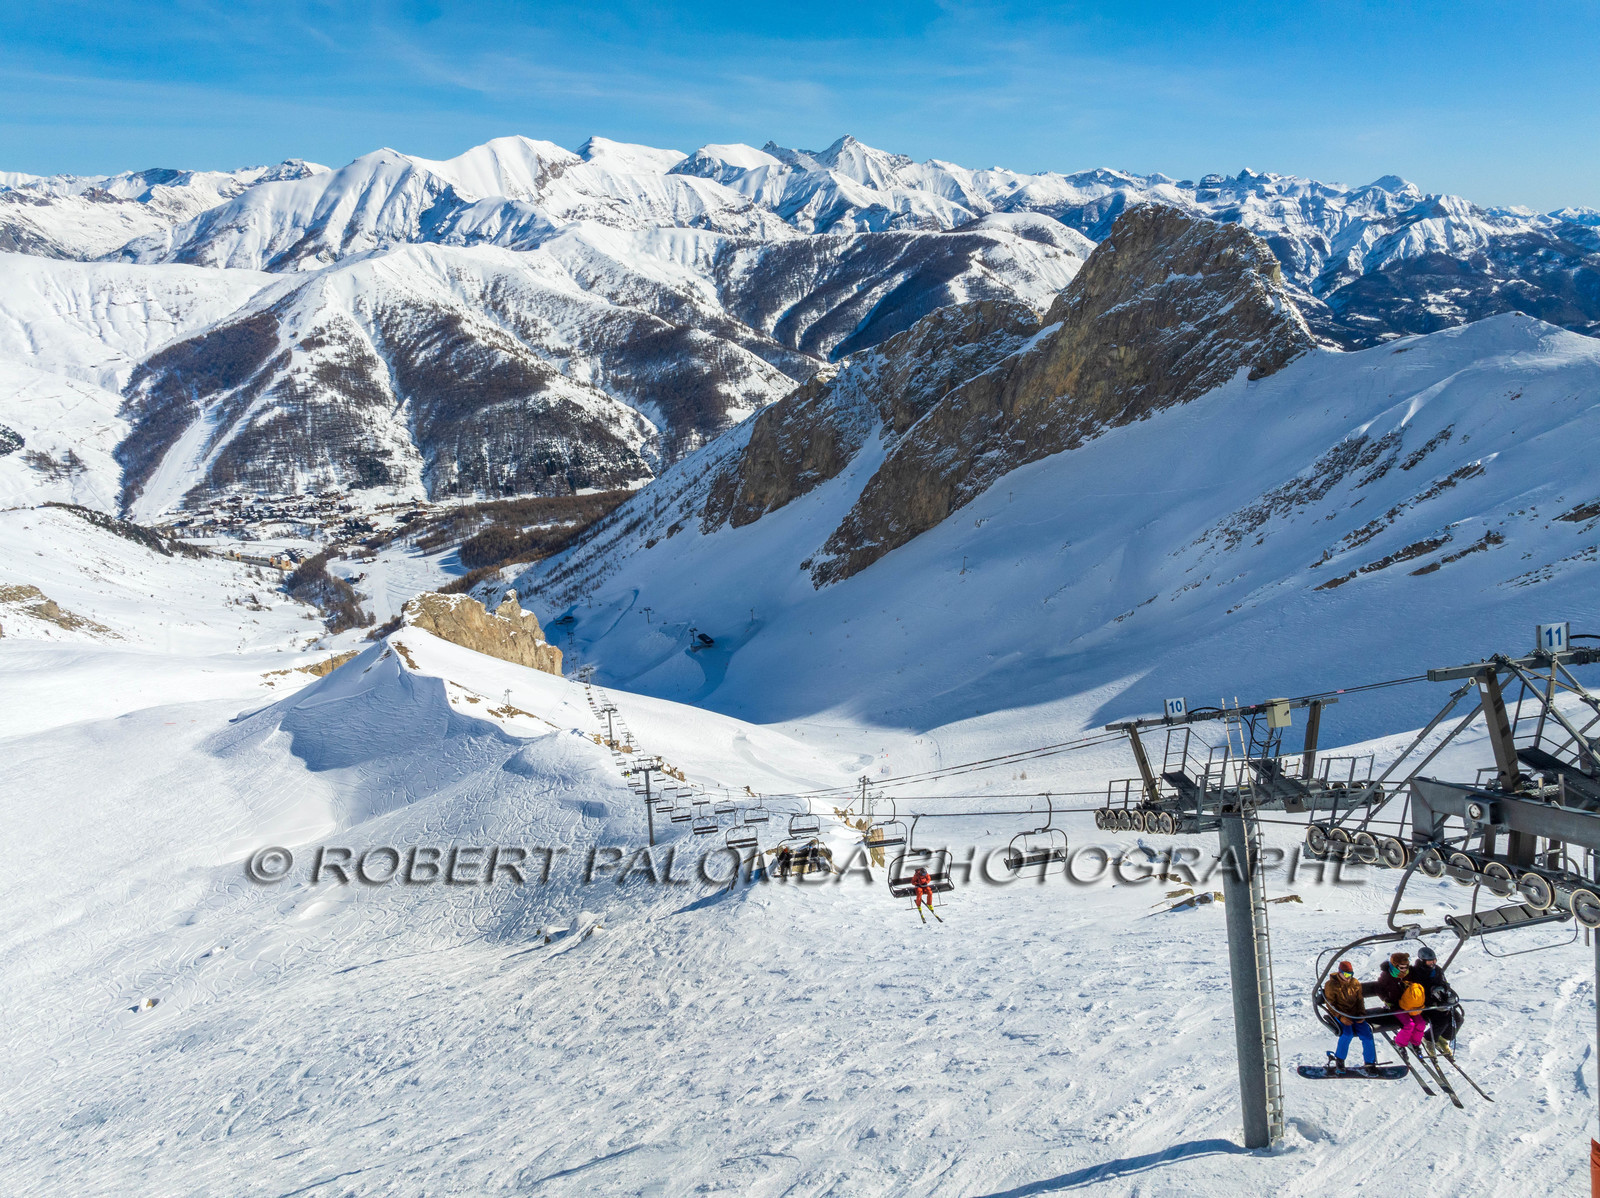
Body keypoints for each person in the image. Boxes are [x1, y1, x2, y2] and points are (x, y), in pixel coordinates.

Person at [1323, 960, 1379, 1075]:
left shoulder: (1355, 983)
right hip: (1341, 1015)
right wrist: (1340, 1016)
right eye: (1347, 974)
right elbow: (1330, 1004)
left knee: (1367, 1034)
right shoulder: (1331, 985)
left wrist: (1361, 1014)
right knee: (1347, 1034)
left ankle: (1370, 1063)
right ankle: (1340, 1060)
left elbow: (1359, 1000)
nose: (1349, 977)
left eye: (1351, 974)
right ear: (1340, 972)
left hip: (1354, 1014)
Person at [1378, 952, 1427, 1050]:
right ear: (1395, 966)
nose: (1405, 970)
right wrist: (1387, 1000)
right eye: (1401, 967)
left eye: (1406, 967)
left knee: (1421, 1023)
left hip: (1410, 1005)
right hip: (1396, 1007)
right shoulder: (1387, 976)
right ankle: (1399, 1043)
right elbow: (1379, 989)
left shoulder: (1410, 974)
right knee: (1409, 1025)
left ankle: (1415, 1042)